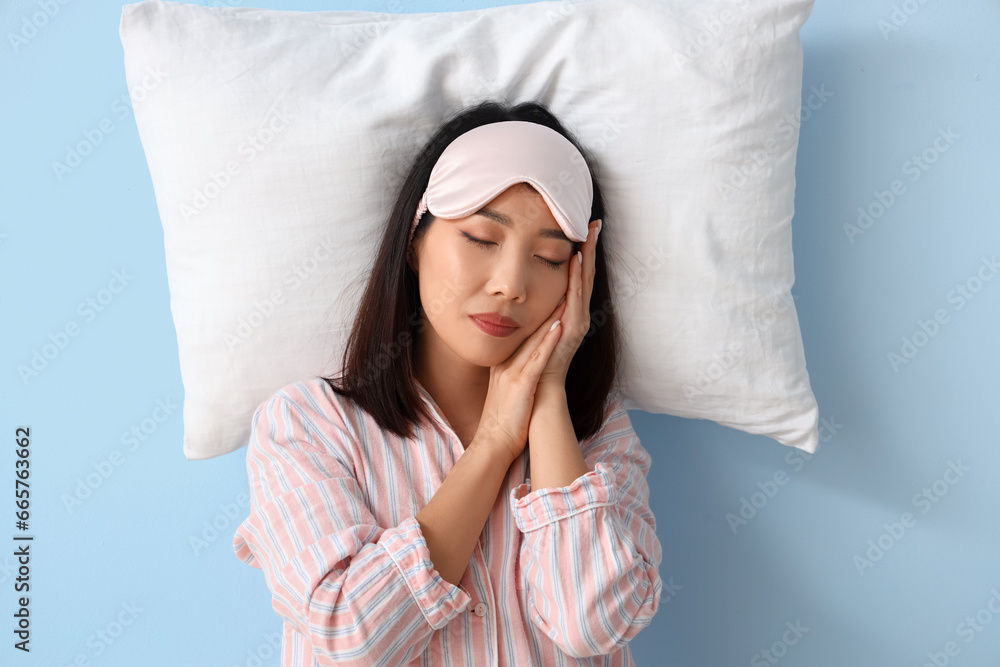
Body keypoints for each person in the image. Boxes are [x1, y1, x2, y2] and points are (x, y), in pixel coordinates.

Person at [233, 100, 663, 666]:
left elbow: (593, 625)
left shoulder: (597, 436)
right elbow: (352, 638)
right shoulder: (306, 425)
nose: (511, 284)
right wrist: (492, 446)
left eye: (550, 257)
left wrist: (549, 395)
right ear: (415, 239)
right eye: (482, 240)